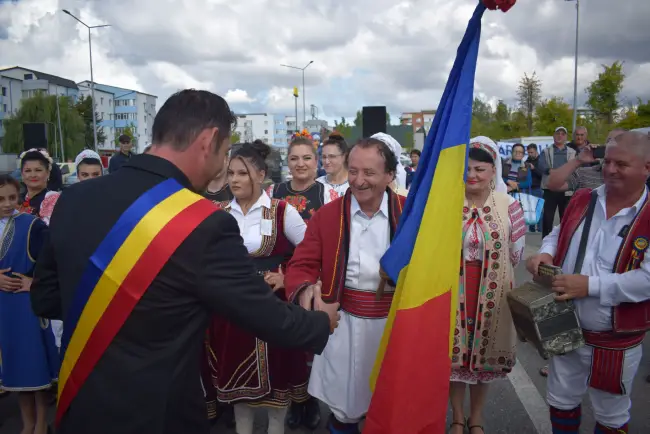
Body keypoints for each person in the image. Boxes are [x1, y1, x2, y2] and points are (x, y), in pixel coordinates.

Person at [29, 89, 340, 434]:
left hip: (81, 406)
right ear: (208, 141)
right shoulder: (201, 222)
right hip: (158, 413)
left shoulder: (74, 199)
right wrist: (319, 322)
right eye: (224, 153)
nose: (223, 167)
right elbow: (264, 315)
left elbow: (45, 298)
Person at [526, 131, 650, 434]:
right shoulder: (584, 198)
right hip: (565, 324)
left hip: (615, 340)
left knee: (611, 413)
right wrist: (544, 253)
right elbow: (559, 231)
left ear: (647, 167)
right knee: (561, 400)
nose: (609, 169)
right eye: (607, 161)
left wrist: (590, 286)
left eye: (621, 164)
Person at [285, 138, 407, 434]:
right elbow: (300, 265)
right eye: (353, 172)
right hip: (343, 326)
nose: (359, 180)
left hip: (396, 327)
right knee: (345, 410)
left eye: (369, 173)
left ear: (390, 175)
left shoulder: (409, 215)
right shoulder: (328, 216)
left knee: (393, 408)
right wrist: (307, 294)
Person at [208, 141, 310, 434]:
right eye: (231, 173)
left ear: (262, 175)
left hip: (271, 307)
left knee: (277, 386)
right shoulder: (220, 212)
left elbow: (311, 252)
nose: (235, 180)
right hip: (233, 309)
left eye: (242, 173)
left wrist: (287, 277)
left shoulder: (282, 211)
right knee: (238, 390)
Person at [449, 138, 526, 434]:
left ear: (493, 171)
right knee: (456, 359)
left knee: (484, 363)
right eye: (467, 169)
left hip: (493, 292)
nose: (472, 175)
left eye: (480, 169)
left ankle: (476, 417)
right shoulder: (449, 203)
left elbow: (516, 254)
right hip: (455, 292)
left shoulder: (510, 206)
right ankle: (457, 416)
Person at [268, 137, 325, 429]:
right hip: (280, 277)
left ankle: (312, 400)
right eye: (294, 158)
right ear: (287, 163)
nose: (300, 164)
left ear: (317, 162)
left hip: (314, 276)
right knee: (287, 344)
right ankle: (293, 400)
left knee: (310, 344)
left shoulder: (327, 193)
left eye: (306, 158)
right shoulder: (274, 192)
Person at [0, 175, 58, 434]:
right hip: (3, 307)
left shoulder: (32, 226)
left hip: (25, 305)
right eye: (1, 199)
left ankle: (40, 423)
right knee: (15, 369)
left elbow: (51, 264)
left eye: (12, 198)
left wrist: (33, 282)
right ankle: (26, 423)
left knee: (33, 364)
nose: (7, 204)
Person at [537, 127, 577, 237]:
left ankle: (563, 240)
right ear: (554, 136)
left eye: (562, 134)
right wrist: (550, 171)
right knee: (547, 218)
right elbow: (540, 165)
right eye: (557, 133)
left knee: (565, 217)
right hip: (549, 188)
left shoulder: (572, 152)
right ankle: (545, 241)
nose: (560, 136)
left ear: (566, 137)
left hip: (566, 188)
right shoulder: (546, 151)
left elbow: (575, 168)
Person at [18, 149, 61, 226]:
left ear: (48, 173)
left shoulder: (53, 198)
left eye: (38, 170)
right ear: (22, 174)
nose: (33, 175)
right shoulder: (18, 199)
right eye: (28, 171)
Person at [316, 134, 350, 201]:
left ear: (344, 156)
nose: (327, 161)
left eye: (332, 156)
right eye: (324, 157)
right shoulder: (317, 185)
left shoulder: (354, 185)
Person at [525, 144, 543, 232]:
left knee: (538, 209)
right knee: (530, 209)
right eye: (528, 153)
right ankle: (532, 230)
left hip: (538, 188)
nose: (530, 154)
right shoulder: (527, 161)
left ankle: (540, 230)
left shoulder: (541, 160)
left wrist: (534, 168)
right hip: (528, 188)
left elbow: (543, 174)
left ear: (536, 151)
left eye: (532, 152)